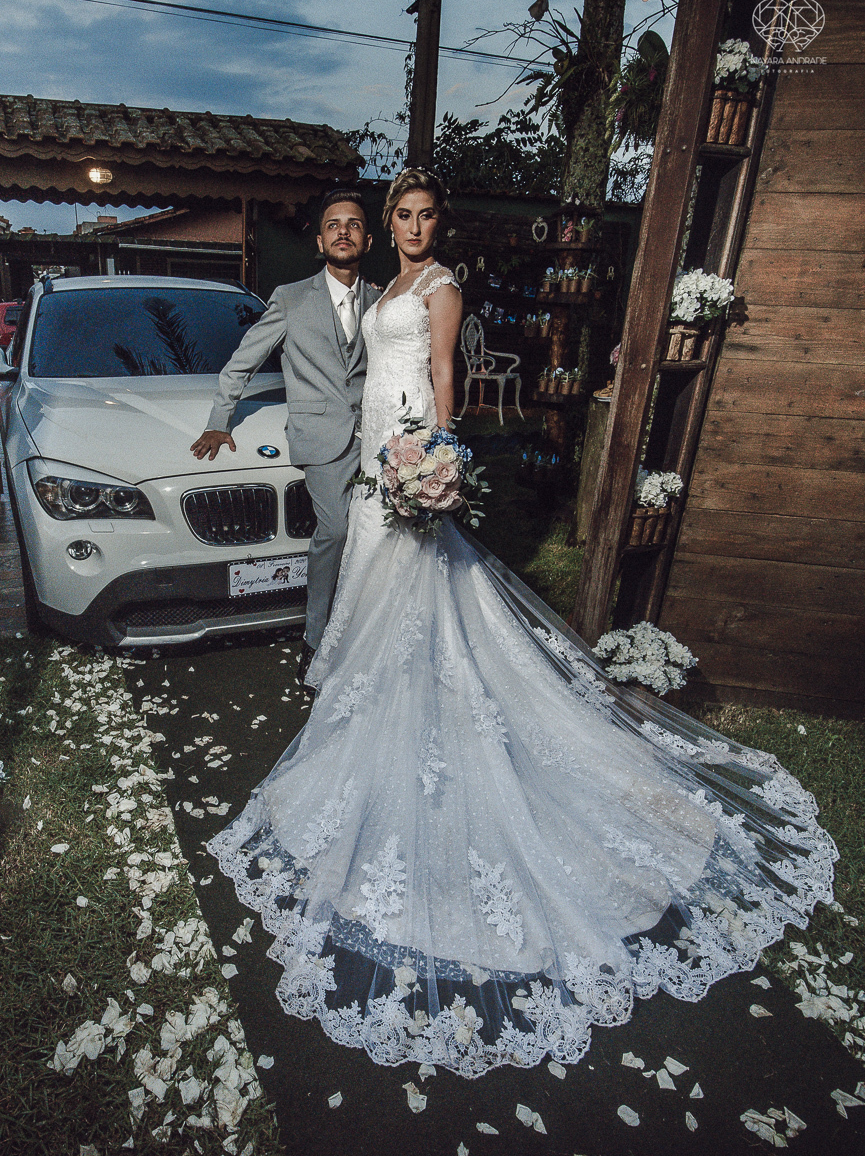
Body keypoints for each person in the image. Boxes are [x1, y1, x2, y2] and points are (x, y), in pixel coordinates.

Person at [207, 169, 837, 1079]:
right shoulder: (385, 283)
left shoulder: (439, 284)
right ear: (388, 223)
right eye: (403, 215)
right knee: (377, 586)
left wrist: (435, 452)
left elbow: (442, 371)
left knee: (420, 588)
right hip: (371, 451)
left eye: (425, 216)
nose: (414, 226)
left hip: (406, 449)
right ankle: (379, 692)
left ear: (437, 224)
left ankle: (423, 698)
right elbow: (352, 364)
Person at [190, 190, 381, 690]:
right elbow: (242, 362)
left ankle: (369, 632)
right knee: (334, 532)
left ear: (367, 240)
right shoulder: (291, 298)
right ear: (319, 241)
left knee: (381, 537)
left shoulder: (381, 301)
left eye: (354, 224)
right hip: (321, 436)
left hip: (379, 437)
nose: (343, 231)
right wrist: (219, 420)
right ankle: (315, 640)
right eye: (333, 224)